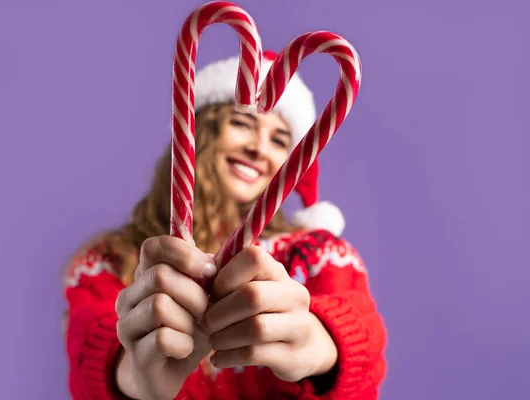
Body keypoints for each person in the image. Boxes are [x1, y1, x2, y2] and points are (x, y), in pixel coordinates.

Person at [62, 50, 387, 400]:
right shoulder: (109, 259)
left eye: (279, 140)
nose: (259, 148)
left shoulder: (316, 255)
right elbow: (88, 350)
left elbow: (362, 333)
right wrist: (136, 376)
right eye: (242, 123)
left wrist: (319, 347)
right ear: (199, 133)